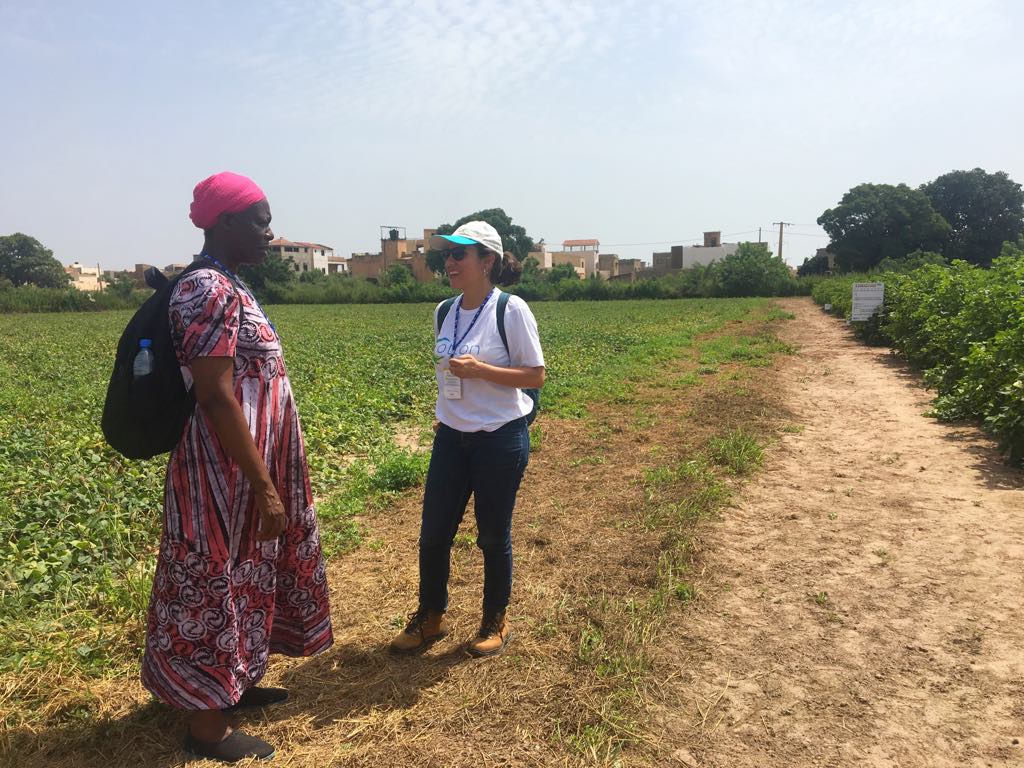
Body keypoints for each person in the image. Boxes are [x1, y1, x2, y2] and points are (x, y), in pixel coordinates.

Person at [141, 172, 333, 763]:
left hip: (243, 472)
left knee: (247, 576)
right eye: (258, 220)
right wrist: (262, 486)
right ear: (222, 223)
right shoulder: (207, 289)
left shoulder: (227, 283)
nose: (269, 232)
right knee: (213, 584)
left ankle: (231, 686)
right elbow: (216, 395)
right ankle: (207, 730)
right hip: (222, 476)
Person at [390, 221, 545, 658]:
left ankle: (495, 620)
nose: (450, 262)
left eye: (460, 254)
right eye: (447, 255)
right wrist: (447, 412)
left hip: (500, 438)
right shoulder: (444, 309)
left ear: (487, 261)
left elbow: (535, 375)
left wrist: (481, 371)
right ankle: (430, 617)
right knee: (433, 534)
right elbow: (446, 370)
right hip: (452, 436)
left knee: (493, 536)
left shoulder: (509, 310)